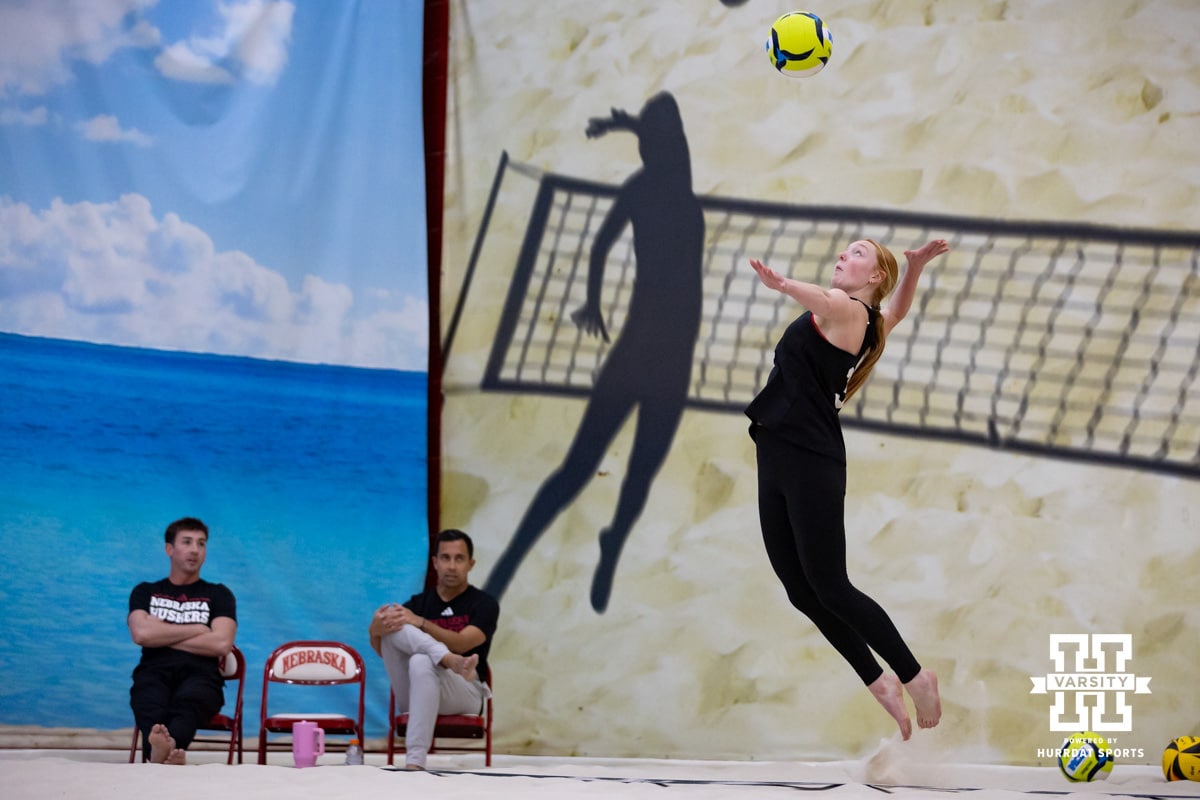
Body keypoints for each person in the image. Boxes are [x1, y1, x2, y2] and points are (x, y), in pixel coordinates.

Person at [484, 91, 704, 613]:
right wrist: (628, 123)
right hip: (662, 356)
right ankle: (510, 564)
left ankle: (590, 550)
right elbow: (606, 238)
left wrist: (592, 300)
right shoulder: (680, 193)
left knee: (616, 471)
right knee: (595, 469)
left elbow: (601, 245)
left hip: (644, 353)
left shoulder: (643, 188)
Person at [745, 238, 949, 740]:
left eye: (856, 253)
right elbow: (894, 312)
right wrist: (915, 268)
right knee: (800, 588)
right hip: (775, 452)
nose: (842, 255)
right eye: (841, 251)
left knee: (830, 585)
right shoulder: (868, 320)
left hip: (809, 460)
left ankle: (914, 674)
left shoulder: (849, 310)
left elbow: (825, 300)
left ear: (874, 275)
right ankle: (878, 679)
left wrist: (783, 284)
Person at [370, 529, 498, 770]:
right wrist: (375, 630)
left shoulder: (485, 604)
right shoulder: (418, 604)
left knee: (420, 659)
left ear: (471, 564)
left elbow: (463, 643)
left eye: (459, 559)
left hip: (464, 690)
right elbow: (387, 650)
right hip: (418, 690)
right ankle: (449, 659)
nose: (451, 565)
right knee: (393, 629)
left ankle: (415, 761)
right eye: (445, 558)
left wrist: (422, 623)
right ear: (435, 563)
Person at [127, 517, 237, 764]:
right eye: (187, 542)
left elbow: (221, 644)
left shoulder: (219, 594)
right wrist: (198, 628)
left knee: (190, 701)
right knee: (148, 698)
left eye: (201, 543)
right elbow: (141, 635)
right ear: (169, 549)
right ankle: (167, 751)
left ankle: (161, 751)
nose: (195, 550)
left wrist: (162, 632)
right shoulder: (145, 591)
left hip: (202, 674)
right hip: (154, 670)